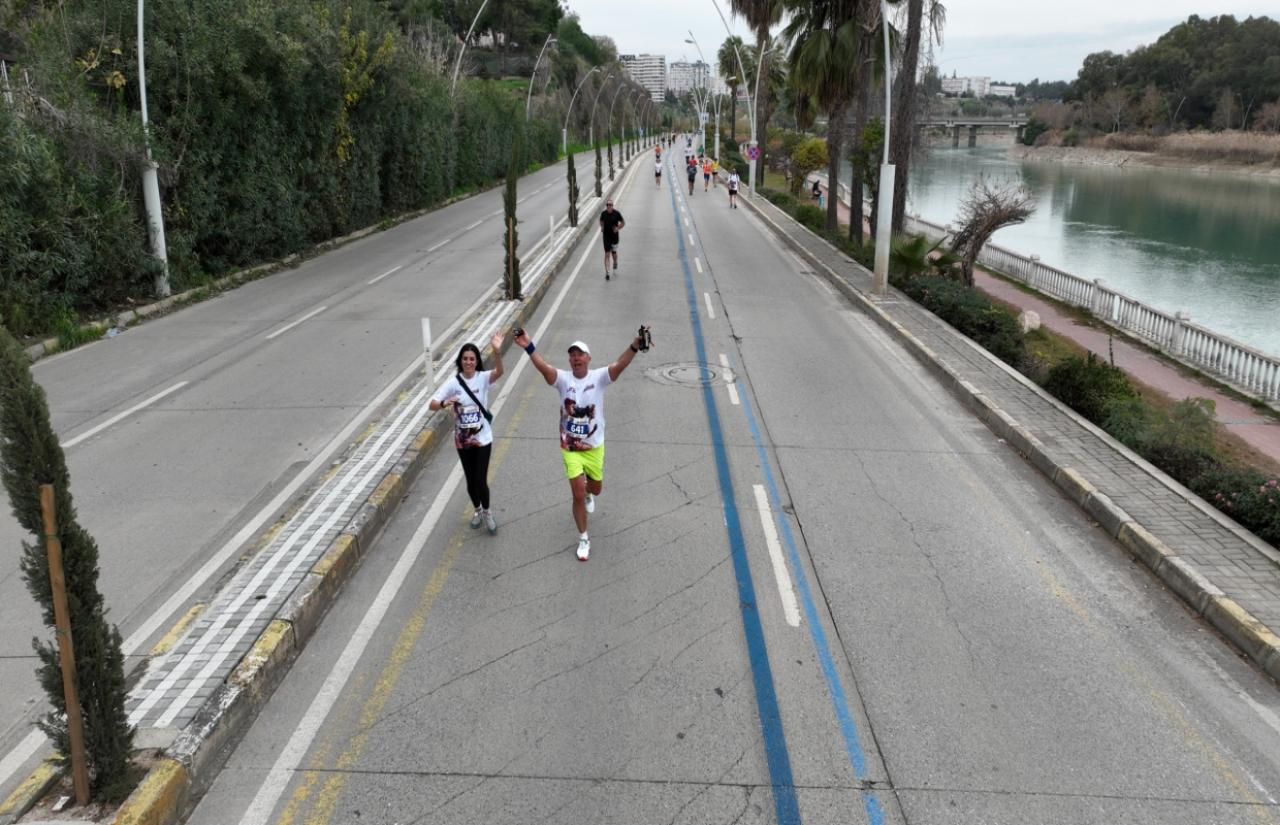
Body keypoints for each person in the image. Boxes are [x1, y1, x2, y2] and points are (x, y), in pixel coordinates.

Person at [512, 330, 648, 561]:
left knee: (595, 489)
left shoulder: (599, 378)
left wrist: (635, 345)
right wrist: (528, 346)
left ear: (588, 358)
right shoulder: (564, 380)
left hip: (594, 447)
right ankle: (583, 537)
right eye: (572, 355)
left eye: (580, 354)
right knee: (575, 493)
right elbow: (544, 368)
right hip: (571, 448)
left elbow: (620, 365)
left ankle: (589, 493)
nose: (576, 358)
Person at [428, 333, 505, 534]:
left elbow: (499, 371)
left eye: (472, 359)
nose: (468, 362)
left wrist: (496, 352)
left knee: (480, 480)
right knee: (470, 481)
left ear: (477, 361)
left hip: (482, 439)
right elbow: (432, 404)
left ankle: (487, 512)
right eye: (465, 359)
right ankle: (477, 510)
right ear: (460, 362)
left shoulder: (482, 378)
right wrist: (446, 402)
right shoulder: (454, 382)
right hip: (463, 441)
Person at [599, 199, 624, 280]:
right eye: (608, 205)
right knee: (607, 254)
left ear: (613, 206)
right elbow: (601, 220)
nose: (609, 206)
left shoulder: (617, 214)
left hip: (614, 237)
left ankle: (615, 262)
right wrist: (602, 227)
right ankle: (607, 273)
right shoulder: (603, 213)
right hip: (606, 236)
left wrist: (617, 228)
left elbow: (623, 222)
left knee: (614, 253)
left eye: (610, 205)